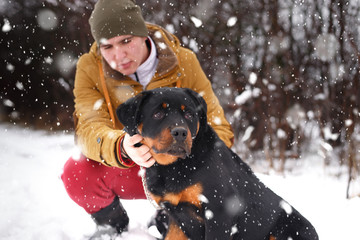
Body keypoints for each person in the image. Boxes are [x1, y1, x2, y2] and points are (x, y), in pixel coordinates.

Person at [61, 0, 234, 235]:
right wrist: (120, 145)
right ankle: (111, 224)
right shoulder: (89, 68)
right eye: (107, 47)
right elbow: (88, 127)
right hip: (128, 163)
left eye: (126, 41)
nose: (118, 55)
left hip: (181, 164)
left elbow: (217, 125)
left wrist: (197, 158)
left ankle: (173, 214)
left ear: (143, 35)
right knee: (77, 172)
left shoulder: (183, 61)